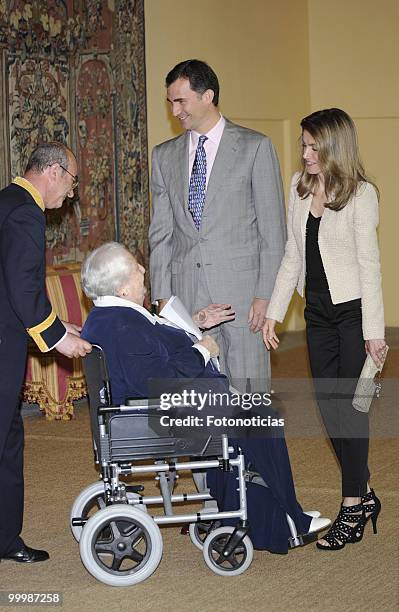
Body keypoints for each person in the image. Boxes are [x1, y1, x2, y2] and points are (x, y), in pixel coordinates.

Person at [81, 242, 330, 554]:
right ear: (121, 288)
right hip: (159, 417)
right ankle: (281, 522)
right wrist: (202, 351)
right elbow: (158, 381)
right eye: (135, 268)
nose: (144, 270)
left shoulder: (108, 317)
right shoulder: (123, 324)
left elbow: (153, 346)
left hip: (148, 412)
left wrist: (194, 323)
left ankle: (267, 514)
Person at [263, 108, 386, 550]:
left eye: (314, 146)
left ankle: (352, 503)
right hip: (316, 316)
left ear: (335, 147)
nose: (306, 153)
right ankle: (365, 492)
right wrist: (275, 312)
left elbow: (370, 267)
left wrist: (375, 333)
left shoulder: (360, 194)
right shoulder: (298, 191)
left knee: (350, 410)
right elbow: (292, 256)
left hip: (352, 316)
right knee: (329, 409)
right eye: (303, 145)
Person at [149, 59, 286, 394]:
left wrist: (266, 295)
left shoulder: (255, 147)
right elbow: (161, 234)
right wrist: (163, 298)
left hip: (243, 297)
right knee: (196, 401)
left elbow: (273, 232)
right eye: (170, 103)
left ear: (207, 95)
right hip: (187, 298)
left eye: (181, 101)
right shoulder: (163, 155)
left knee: (248, 396)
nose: (175, 110)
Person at [0, 142, 92, 564]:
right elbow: (22, 288)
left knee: (9, 439)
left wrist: (59, 323)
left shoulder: (8, 200)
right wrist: (57, 338)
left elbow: (16, 286)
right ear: (53, 171)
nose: (71, 193)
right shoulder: (25, 211)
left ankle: (5, 537)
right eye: (72, 181)